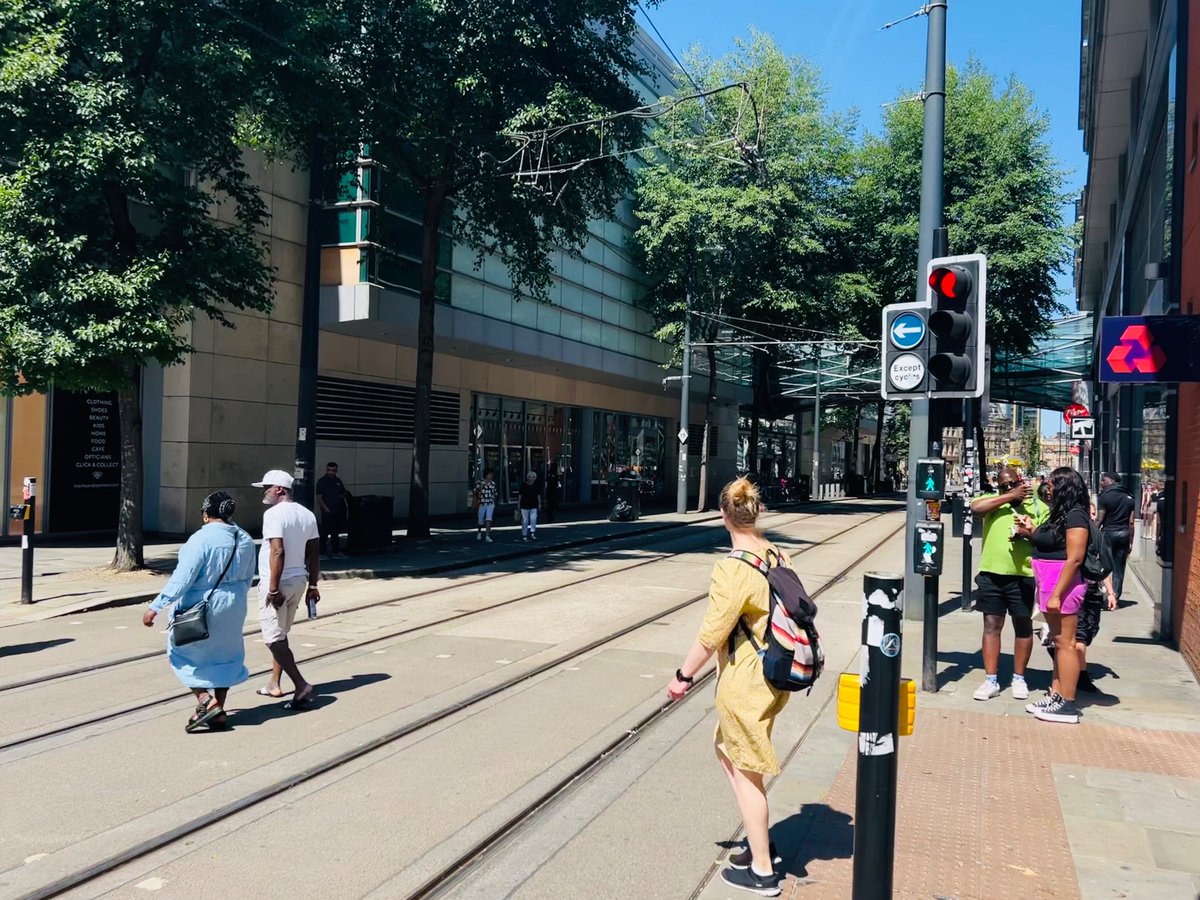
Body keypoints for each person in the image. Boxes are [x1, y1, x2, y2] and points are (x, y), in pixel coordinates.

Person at [666, 478, 791, 897]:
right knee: (727, 750)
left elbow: (712, 634)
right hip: (773, 674)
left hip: (747, 680)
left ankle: (762, 870)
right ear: (755, 514)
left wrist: (683, 677)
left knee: (746, 774)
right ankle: (760, 840)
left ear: (724, 516)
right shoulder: (776, 553)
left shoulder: (733, 567)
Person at [142, 491, 257, 732]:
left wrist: (156, 605)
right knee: (226, 655)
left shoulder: (201, 540)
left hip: (202, 603)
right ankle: (218, 710)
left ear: (206, 514)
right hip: (235, 602)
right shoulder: (244, 538)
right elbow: (248, 576)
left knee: (182, 651)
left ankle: (205, 699)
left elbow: (182, 579)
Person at [1017, 467, 1091, 724]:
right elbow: (1048, 541)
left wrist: (1057, 594)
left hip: (1063, 586)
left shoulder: (1076, 516)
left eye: (1051, 484)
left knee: (1065, 643)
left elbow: (1075, 558)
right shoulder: (1059, 514)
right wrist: (1030, 529)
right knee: (1057, 643)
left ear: (1064, 487)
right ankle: (1056, 695)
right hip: (1050, 583)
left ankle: (1068, 705)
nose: (1046, 489)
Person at [968, 467, 1048, 701]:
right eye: (1002, 485)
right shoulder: (993, 503)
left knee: (1023, 626)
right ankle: (991, 679)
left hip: (1023, 575)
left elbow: (1046, 539)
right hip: (992, 574)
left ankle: (1019, 677)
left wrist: (1027, 533)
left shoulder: (1037, 507)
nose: (1007, 488)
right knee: (991, 625)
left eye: (1011, 484)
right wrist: (1007, 497)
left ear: (1020, 482)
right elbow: (976, 508)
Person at [252, 469, 319, 707]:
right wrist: (313, 585)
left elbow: (277, 551)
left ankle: (301, 685)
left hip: (278, 583)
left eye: (266, 487)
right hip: (299, 580)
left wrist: (272, 589)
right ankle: (274, 683)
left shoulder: (273, 514)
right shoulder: (307, 514)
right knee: (281, 633)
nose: (264, 492)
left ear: (279, 489)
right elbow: (313, 553)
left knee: (272, 639)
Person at [1096, 472, 1134, 600]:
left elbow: (1099, 519)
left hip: (1108, 534)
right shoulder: (1129, 497)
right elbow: (1131, 522)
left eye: (1104, 481)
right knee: (1119, 567)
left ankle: (1107, 594)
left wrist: (1092, 535)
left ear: (1112, 481)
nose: (1101, 483)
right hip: (1123, 534)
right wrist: (1130, 541)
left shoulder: (1104, 497)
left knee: (1104, 564)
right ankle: (1116, 595)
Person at [315, 461, 349, 560]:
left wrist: (343, 496)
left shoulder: (338, 481)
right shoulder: (322, 481)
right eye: (329, 470)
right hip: (327, 511)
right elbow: (319, 497)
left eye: (333, 470)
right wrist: (326, 509)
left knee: (335, 532)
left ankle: (335, 551)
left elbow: (342, 493)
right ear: (326, 470)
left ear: (336, 470)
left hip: (337, 510)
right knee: (324, 532)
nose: (331, 472)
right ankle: (322, 553)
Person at [475, 468, 498, 542]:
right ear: (486, 475)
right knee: (480, 520)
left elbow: (495, 493)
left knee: (489, 519)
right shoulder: (480, 482)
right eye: (490, 474)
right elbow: (474, 491)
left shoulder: (493, 483)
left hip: (490, 503)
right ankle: (479, 531)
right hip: (482, 503)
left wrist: (493, 499)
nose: (491, 476)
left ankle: (487, 535)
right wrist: (479, 489)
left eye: (492, 475)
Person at [518, 470, 540, 541]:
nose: (531, 478)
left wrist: (539, 504)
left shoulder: (536, 485)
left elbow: (538, 495)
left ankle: (532, 532)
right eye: (530, 477)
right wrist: (518, 504)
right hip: (524, 504)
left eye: (533, 477)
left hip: (534, 504)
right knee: (525, 520)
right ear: (528, 477)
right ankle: (524, 534)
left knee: (533, 519)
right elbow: (520, 495)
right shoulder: (524, 485)